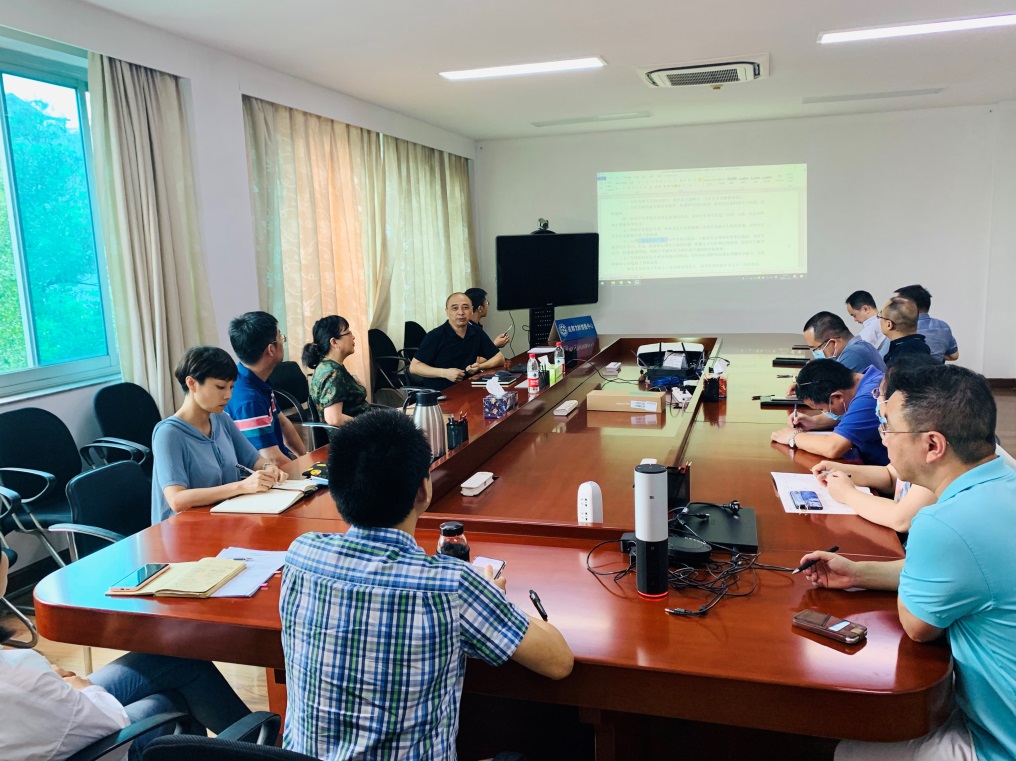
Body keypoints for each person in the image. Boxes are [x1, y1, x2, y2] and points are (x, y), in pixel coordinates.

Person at [280, 409, 574, 760]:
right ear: (423, 489)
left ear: (336, 490)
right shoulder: (451, 586)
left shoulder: (301, 555)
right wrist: (489, 599)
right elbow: (559, 662)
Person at [799, 364, 1016, 761]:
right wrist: (860, 572)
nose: (883, 438)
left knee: (848, 751)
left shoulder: (943, 523)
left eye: (889, 428)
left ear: (932, 445)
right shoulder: (1004, 480)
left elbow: (918, 627)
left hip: (999, 743)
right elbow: (964, 576)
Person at [0, 548, 251, 761]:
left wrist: (46, 679)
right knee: (169, 703)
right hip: (87, 747)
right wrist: (84, 687)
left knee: (175, 659)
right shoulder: (22, 675)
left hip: (44, 720)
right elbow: (108, 721)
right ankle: (258, 750)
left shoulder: (20, 672)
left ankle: (257, 747)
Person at [151, 346, 287, 523]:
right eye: (220, 387)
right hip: (184, 528)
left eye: (231, 387)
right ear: (192, 383)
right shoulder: (169, 434)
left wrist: (268, 467)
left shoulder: (221, 419)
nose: (228, 395)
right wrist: (241, 486)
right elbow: (177, 500)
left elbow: (253, 460)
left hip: (224, 519)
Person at [809, 355, 940, 533]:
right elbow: (891, 476)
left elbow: (901, 519)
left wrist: (847, 494)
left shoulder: (933, 453)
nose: (876, 400)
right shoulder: (913, 435)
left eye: (879, 394)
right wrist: (839, 470)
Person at [224, 311, 307, 466]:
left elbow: (283, 424)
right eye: (280, 337)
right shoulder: (248, 400)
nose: (283, 342)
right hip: (263, 474)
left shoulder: (256, 380)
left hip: (279, 466)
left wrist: (306, 459)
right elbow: (272, 459)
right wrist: (303, 472)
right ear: (271, 349)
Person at [771, 358, 888, 465]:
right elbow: (857, 415)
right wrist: (815, 422)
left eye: (822, 409)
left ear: (837, 397)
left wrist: (793, 437)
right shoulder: (867, 381)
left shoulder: (872, 395)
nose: (825, 412)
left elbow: (833, 447)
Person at [408, 292, 506, 390]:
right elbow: (414, 367)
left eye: (465, 308)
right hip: (441, 392)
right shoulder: (435, 335)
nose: (461, 312)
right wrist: (445, 373)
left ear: (472, 310)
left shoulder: (476, 332)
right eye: (455, 308)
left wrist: (480, 366)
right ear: (447, 311)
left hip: (469, 387)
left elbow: (499, 358)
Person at [302, 315, 369, 426]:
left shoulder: (327, 366)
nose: (353, 337)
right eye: (348, 333)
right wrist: (370, 425)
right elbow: (334, 419)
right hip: (354, 433)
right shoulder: (333, 373)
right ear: (334, 342)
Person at [801, 311, 885, 373]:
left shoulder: (852, 354)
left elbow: (828, 388)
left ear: (833, 343)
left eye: (816, 349)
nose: (815, 353)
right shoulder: (860, 347)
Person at [894, 284, 958, 363]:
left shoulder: (898, 328)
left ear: (909, 306)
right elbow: (954, 355)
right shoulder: (943, 327)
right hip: (936, 370)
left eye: (896, 304)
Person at [879, 297, 932, 369]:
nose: (879, 321)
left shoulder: (904, 357)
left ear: (889, 325)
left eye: (880, 317)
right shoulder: (920, 346)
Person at [464, 287, 510, 352]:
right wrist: (495, 345)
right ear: (480, 308)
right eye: (487, 303)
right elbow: (475, 357)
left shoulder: (475, 326)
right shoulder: (468, 330)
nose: (488, 306)